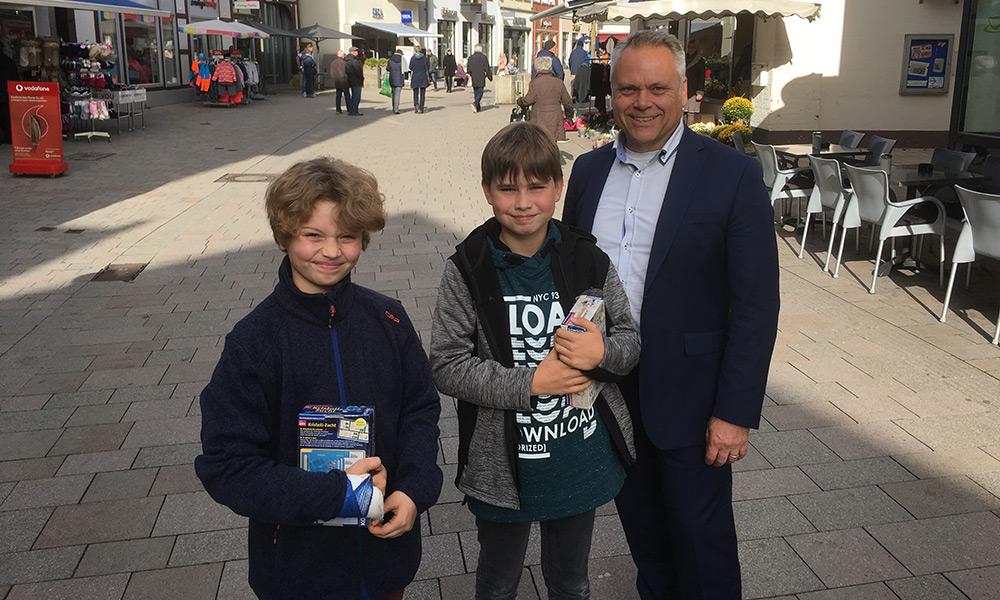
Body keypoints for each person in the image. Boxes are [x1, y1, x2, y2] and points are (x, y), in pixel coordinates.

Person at [562, 30, 780, 600]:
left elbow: (757, 305)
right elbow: (573, 279)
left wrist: (735, 412)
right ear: (611, 93)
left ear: (684, 91)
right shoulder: (586, 173)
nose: (642, 102)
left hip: (694, 397)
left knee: (702, 540)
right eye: (629, 88)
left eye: (658, 87)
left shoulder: (731, 175)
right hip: (609, 391)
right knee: (645, 536)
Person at [196, 156, 444, 600]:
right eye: (313, 235)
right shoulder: (255, 342)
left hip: (386, 557)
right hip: (298, 570)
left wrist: (414, 488)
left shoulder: (388, 319)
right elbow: (227, 465)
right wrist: (337, 495)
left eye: (346, 237)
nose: (331, 252)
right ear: (285, 235)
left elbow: (420, 410)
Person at [430, 121, 640, 600]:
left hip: (577, 457)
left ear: (559, 188)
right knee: (498, 580)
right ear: (487, 191)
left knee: (570, 580)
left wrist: (603, 352)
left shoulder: (587, 258)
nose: (523, 201)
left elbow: (630, 338)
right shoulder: (469, 267)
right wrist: (531, 383)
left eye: (537, 186)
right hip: (503, 467)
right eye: (507, 188)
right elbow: (445, 363)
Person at [517, 56, 573, 143]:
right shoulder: (558, 82)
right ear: (550, 67)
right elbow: (567, 102)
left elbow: (528, 100)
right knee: (553, 143)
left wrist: (520, 101)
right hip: (555, 120)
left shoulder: (535, 82)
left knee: (539, 143)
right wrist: (569, 117)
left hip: (538, 119)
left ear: (537, 68)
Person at [467, 44, 492, 112]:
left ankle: (477, 107)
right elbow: (487, 68)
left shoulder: (470, 57)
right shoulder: (484, 57)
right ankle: (475, 103)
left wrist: (470, 74)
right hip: (481, 76)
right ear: (481, 49)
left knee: (476, 91)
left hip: (474, 77)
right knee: (480, 92)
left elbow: (468, 69)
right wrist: (490, 77)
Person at [409, 44, 430, 114]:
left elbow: (410, 67)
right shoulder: (424, 58)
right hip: (423, 77)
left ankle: (416, 106)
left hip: (415, 77)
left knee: (415, 92)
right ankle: (421, 108)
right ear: (420, 50)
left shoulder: (412, 58)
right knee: (422, 93)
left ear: (415, 50)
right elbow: (427, 67)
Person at [329, 50, 351, 114]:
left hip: (337, 81)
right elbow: (347, 72)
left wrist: (335, 78)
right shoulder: (345, 63)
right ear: (342, 55)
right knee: (347, 95)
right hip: (344, 81)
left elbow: (332, 74)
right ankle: (349, 109)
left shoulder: (333, 62)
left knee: (338, 96)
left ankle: (338, 109)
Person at [345, 46, 365, 116]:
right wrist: (362, 79)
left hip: (350, 80)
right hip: (356, 81)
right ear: (352, 52)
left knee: (353, 97)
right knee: (356, 97)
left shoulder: (347, 59)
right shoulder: (354, 60)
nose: (357, 52)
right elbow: (358, 71)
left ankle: (351, 111)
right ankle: (354, 111)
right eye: (356, 51)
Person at [387, 49, 405, 114]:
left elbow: (387, 68)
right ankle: (396, 109)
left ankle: (393, 106)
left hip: (392, 78)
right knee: (397, 95)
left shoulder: (390, 59)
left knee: (393, 93)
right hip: (400, 79)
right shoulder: (402, 59)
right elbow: (405, 69)